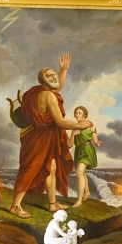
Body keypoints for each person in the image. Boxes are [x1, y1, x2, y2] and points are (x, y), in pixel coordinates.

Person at [10, 53, 93, 219]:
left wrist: (63, 70)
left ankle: (52, 204)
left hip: (45, 136)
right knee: (31, 169)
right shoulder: (47, 96)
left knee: (51, 167)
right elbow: (60, 122)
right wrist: (79, 125)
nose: (53, 77)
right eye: (50, 76)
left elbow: (57, 86)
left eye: (53, 74)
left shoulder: (40, 91)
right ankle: (15, 206)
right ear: (43, 80)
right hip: (37, 138)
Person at [68, 106, 101, 208]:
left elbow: (94, 138)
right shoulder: (75, 128)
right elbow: (69, 144)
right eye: (76, 113)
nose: (77, 115)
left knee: (78, 172)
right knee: (81, 172)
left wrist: (96, 142)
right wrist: (73, 134)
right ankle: (87, 192)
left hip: (87, 150)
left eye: (80, 113)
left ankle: (79, 200)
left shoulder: (90, 125)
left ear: (84, 115)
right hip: (78, 151)